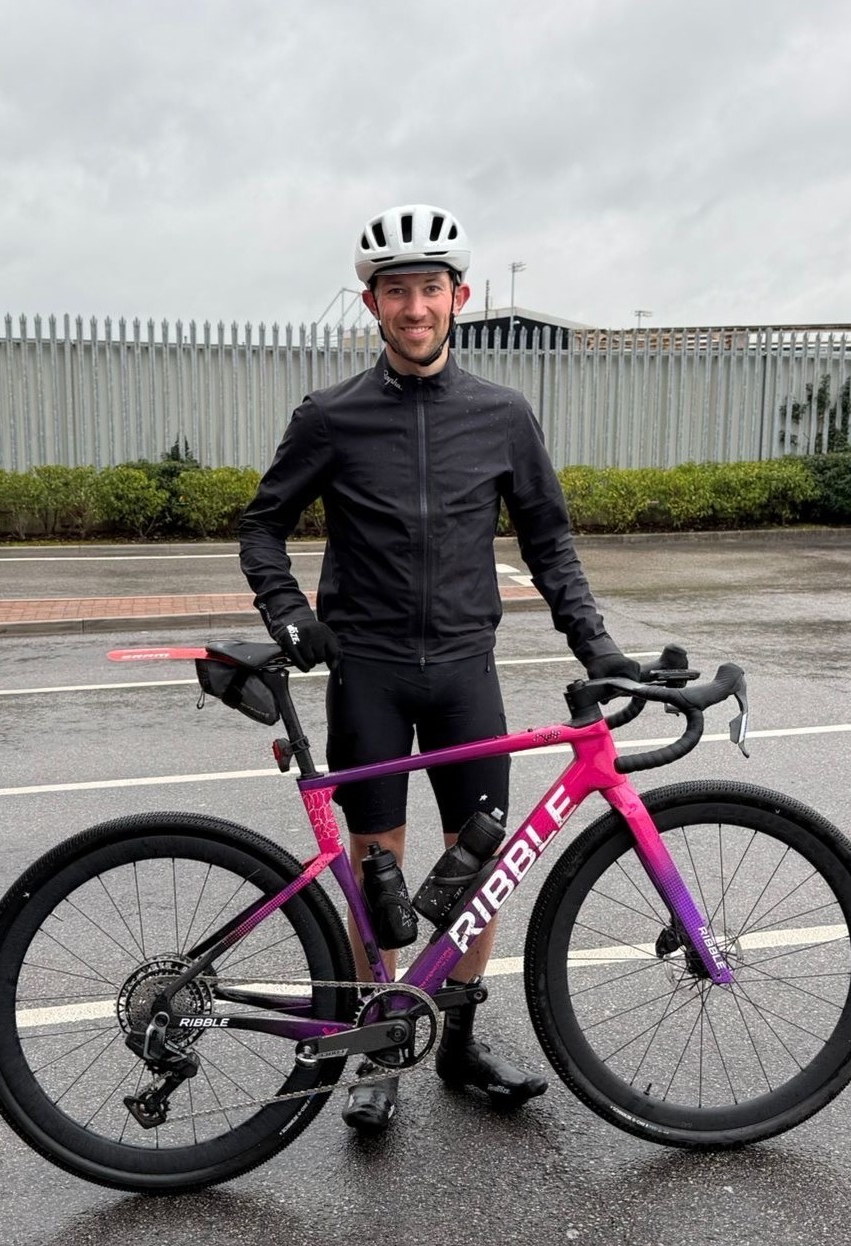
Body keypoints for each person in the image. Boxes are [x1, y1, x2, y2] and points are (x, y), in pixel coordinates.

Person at [238, 202, 639, 1133]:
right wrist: (289, 611)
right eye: (394, 291)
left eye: (428, 289)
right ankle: (380, 1046)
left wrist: (598, 647)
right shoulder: (330, 415)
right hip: (368, 668)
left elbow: (548, 540)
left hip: (465, 665)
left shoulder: (501, 414)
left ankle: (457, 1041)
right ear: (371, 304)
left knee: (478, 863)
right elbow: (261, 525)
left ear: (457, 297)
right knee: (379, 872)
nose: (413, 307)